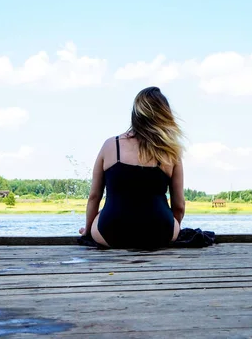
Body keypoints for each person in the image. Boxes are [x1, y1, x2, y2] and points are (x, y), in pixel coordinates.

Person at [79, 86, 185, 249]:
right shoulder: (170, 152)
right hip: (160, 233)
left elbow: (94, 196)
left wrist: (87, 230)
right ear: (165, 116)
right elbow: (179, 206)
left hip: (111, 232)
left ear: (135, 114)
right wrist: (172, 226)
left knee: (100, 216)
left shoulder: (110, 145)